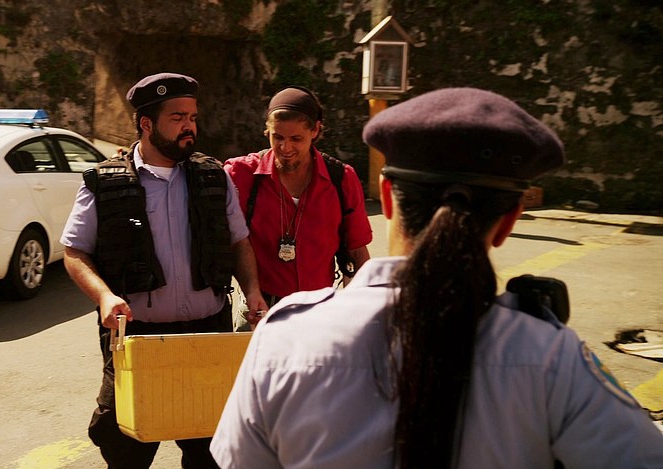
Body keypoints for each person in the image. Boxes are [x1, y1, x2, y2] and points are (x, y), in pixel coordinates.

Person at [210, 88, 663, 468]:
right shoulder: (552, 358)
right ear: (509, 221)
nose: (285, 146)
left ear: (387, 198)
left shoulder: (283, 340)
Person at [61, 73, 267, 468]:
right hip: (138, 341)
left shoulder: (214, 176)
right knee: (125, 450)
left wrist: (252, 289)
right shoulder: (103, 183)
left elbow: (238, 241)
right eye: (177, 117)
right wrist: (104, 296)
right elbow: (74, 251)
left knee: (210, 451)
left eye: (192, 117)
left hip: (207, 336)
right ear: (146, 123)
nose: (189, 126)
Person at [224, 86, 372, 328]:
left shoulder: (342, 179)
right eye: (277, 137)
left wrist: (363, 305)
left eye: (296, 139)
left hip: (320, 313)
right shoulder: (241, 174)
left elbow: (358, 251)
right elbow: (234, 242)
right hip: (259, 309)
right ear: (267, 131)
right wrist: (251, 292)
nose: (285, 148)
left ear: (315, 131)